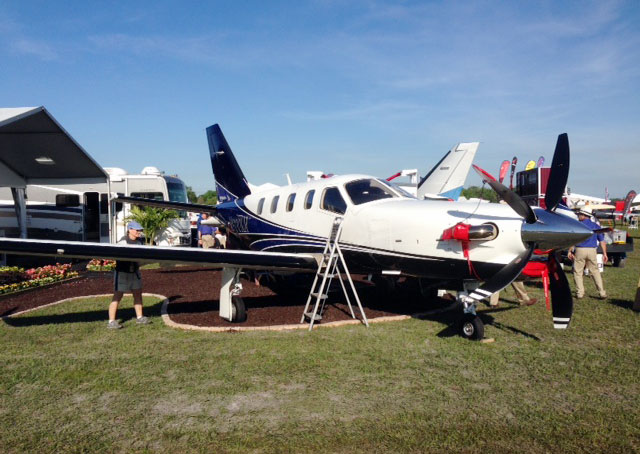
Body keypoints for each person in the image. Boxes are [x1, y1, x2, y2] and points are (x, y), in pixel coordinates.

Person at [107, 221, 150, 329]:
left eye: (140, 230)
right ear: (130, 230)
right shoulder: (123, 242)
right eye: (137, 230)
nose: (139, 232)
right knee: (117, 296)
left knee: (137, 294)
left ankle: (140, 317)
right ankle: (111, 321)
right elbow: (116, 256)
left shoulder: (140, 242)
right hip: (122, 273)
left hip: (135, 272)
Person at [568, 209, 607, 299]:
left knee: (578, 272)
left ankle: (580, 293)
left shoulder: (578, 225)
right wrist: (605, 253)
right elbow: (602, 241)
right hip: (592, 250)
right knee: (595, 272)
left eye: (579, 214)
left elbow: (574, 240)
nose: (578, 216)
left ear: (584, 215)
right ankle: (602, 292)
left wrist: (570, 250)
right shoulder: (596, 226)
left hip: (580, 250)